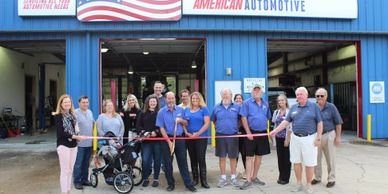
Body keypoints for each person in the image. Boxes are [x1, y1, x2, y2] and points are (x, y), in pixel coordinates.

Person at [270, 87, 323, 194]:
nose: (299, 96)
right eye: (297, 94)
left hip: (309, 138)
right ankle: (299, 184)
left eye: (301, 94)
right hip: (295, 138)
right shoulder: (294, 107)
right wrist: (275, 131)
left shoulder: (314, 107)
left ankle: (308, 185)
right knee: (296, 161)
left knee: (309, 163)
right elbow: (285, 122)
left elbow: (320, 123)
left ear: (306, 95)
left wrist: (318, 138)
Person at [156, 92, 197, 192]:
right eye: (169, 98)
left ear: (175, 99)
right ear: (165, 99)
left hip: (179, 139)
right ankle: (170, 184)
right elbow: (161, 128)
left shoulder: (180, 110)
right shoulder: (161, 112)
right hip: (167, 140)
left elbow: (186, 123)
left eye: (172, 98)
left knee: (183, 162)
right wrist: (169, 142)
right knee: (167, 163)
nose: (170, 100)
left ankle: (188, 184)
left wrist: (180, 121)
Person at [239, 84, 272, 190]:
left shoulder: (265, 104)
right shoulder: (246, 103)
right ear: (251, 92)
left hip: (262, 133)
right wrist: (248, 132)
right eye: (255, 90)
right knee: (249, 157)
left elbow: (267, 117)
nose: (257, 92)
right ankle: (248, 180)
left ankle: (254, 177)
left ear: (262, 92)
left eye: (259, 90)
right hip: (251, 133)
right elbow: (243, 118)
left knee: (259, 156)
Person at [53, 94, 86, 194]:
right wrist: (76, 137)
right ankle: (64, 192)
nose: (67, 103)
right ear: (61, 104)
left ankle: (68, 190)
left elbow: (76, 130)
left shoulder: (72, 116)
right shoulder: (58, 116)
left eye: (69, 102)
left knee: (70, 170)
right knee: (64, 170)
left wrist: (78, 136)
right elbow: (61, 133)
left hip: (73, 145)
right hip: (63, 145)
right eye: (65, 102)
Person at [311, 88, 343, 188]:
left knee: (330, 159)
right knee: (316, 158)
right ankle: (317, 177)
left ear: (326, 96)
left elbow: (338, 123)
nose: (319, 97)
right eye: (317, 96)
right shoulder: (313, 107)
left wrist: (338, 137)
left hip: (329, 135)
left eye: (322, 96)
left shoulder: (331, 107)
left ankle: (331, 179)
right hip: (317, 136)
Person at [211, 88, 241, 188]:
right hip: (220, 136)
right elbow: (214, 120)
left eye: (227, 94)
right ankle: (223, 178)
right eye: (223, 94)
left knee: (233, 157)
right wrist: (220, 127)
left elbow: (241, 120)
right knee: (222, 157)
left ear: (231, 95)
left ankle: (233, 177)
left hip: (233, 136)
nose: (225, 96)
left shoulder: (237, 107)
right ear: (221, 96)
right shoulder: (216, 107)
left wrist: (237, 129)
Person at [184, 92, 210, 188]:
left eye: (197, 98)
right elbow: (184, 123)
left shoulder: (204, 109)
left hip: (201, 138)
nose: (195, 100)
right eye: (193, 98)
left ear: (200, 99)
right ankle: (195, 179)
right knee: (192, 158)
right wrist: (186, 133)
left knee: (201, 158)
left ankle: (204, 181)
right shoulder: (186, 110)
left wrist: (197, 134)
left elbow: (206, 124)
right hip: (189, 138)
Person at [96, 100, 125, 184]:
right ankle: (109, 177)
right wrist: (108, 139)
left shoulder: (117, 116)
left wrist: (119, 137)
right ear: (105, 107)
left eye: (111, 105)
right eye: (108, 105)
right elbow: (99, 129)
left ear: (113, 107)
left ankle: (119, 177)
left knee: (118, 160)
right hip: (106, 144)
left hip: (117, 142)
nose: (110, 107)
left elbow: (122, 128)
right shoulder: (101, 117)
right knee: (109, 161)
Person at [136, 95, 162, 188]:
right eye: (151, 101)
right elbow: (138, 126)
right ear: (148, 103)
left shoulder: (160, 113)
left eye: (154, 101)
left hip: (157, 141)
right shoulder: (142, 113)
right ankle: (146, 178)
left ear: (157, 103)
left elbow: (162, 126)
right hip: (146, 142)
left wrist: (156, 132)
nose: (152, 103)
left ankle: (156, 179)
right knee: (146, 160)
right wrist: (144, 133)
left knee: (157, 160)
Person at [73, 96, 95, 190]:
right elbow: (72, 128)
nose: (85, 104)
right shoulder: (75, 113)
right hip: (80, 144)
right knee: (78, 164)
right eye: (83, 102)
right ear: (79, 103)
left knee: (86, 163)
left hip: (89, 144)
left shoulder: (90, 112)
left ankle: (84, 180)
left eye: (87, 102)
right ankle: (77, 181)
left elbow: (94, 124)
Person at [271, 94, 292, 185]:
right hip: (278, 138)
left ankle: (286, 178)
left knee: (286, 158)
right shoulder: (276, 112)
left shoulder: (289, 112)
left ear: (286, 101)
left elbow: (290, 127)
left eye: (282, 100)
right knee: (280, 158)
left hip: (286, 138)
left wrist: (287, 139)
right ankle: (281, 176)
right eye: (279, 101)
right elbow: (274, 124)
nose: (281, 102)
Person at [233, 94, 246, 179]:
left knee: (245, 153)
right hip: (235, 134)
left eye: (240, 98)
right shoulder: (233, 109)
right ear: (234, 100)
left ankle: (246, 171)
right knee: (235, 154)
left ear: (242, 100)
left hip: (244, 133)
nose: (238, 100)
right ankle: (234, 172)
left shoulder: (245, 109)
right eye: (236, 98)